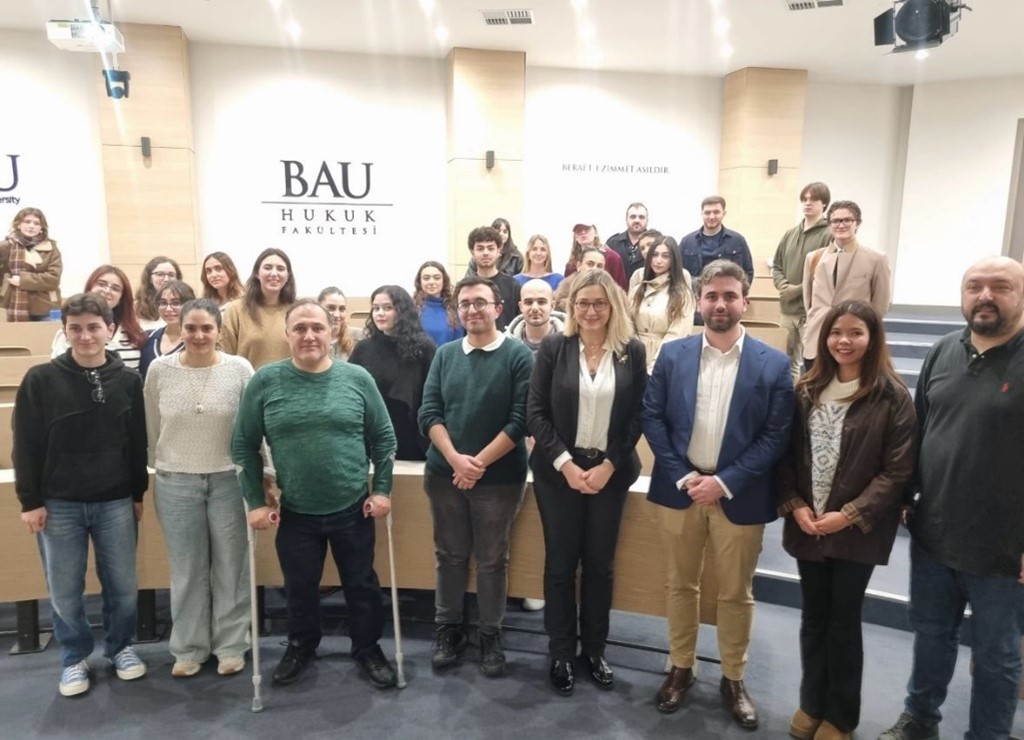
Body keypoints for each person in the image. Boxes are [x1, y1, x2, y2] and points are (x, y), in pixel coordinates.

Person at [642, 260, 793, 730]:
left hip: (739, 495)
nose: (720, 304)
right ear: (699, 301)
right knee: (679, 585)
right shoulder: (673, 355)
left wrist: (724, 482)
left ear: (745, 301)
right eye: (712, 296)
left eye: (730, 296)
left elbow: (775, 435)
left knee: (735, 593)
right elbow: (653, 418)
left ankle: (734, 678)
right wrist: (685, 475)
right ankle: (680, 667)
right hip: (681, 490)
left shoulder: (773, 363)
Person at [879, 256, 1024, 740]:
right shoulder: (943, 351)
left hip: (1004, 546)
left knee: (997, 654)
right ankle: (920, 719)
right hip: (936, 529)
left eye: (1000, 286)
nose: (985, 296)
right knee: (931, 634)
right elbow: (918, 430)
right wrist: (906, 494)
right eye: (974, 286)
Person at [232, 299, 398, 689]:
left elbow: (384, 438)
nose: (309, 335)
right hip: (295, 510)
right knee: (299, 587)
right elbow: (243, 445)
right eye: (300, 328)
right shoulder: (266, 381)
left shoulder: (357, 378)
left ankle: (367, 647)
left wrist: (383, 489)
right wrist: (255, 501)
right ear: (287, 334)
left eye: (317, 328)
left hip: (353, 507)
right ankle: (301, 645)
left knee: (362, 585)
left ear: (332, 331)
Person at [777, 301, 917, 740]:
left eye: (856, 332)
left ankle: (840, 717)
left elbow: (897, 472)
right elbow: (786, 455)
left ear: (872, 339)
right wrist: (795, 504)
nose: (844, 341)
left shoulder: (891, 396)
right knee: (813, 618)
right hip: (808, 525)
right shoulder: (806, 389)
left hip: (856, 531)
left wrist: (850, 514)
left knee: (843, 622)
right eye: (837, 332)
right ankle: (812, 702)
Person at [14, 292, 149, 697]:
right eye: (76, 329)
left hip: (115, 501)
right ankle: (74, 657)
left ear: (110, 329)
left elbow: (136, 443)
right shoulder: (40, 380)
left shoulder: (128, 380)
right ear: (65, 331)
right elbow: (26, 445)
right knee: (65, 589)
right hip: (59, 505)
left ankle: (120, 647)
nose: (85, 336)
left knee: (123, 586)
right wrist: (30, 501)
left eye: (93, 327)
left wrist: (137, 493)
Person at [526, 269, 647, 696]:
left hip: (609, 474)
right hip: (558, 474)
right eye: (583, 303)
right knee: (560, 565)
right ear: (571, 307)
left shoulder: (631, 350)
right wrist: (565, 464)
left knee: (599, 566)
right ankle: (560, 651)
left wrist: (609, 465)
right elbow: (535, 411)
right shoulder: (554, 347)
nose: (591, 311)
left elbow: (638, 414)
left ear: (612, 305)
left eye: (599, 303)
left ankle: (594, 650)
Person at [418, 275, 534, 678]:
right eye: (465, 303)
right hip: (444, 474)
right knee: (448, 556)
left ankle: (489, 634)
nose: (472, 310)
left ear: (498, 309)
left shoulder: (519, 356)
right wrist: (455, 460)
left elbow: (520, 420)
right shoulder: (445, 355)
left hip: (500, 479)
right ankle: (449, 629)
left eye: (480, 302)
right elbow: (429, 412)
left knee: (491, 560)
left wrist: (476, 464)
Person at [144, 298, 254, 678]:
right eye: (191, 328)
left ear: (219, 331)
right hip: (176, 482)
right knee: (187, 570)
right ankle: (189, 648)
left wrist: (264, 474)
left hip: (228, 480)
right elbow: (152, 426)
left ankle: (231, 646)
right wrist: (161, 464)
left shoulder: (239, 369)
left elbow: (252, 428)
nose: (199, 335)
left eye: (207, 328)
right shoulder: (159, 370)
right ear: (180, 328)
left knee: (231, 567)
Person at [802, 201, 890, 373]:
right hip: (817, 339)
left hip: (852, 343)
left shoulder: (876, 259)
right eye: (835, 221)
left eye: (847, 220)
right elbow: (809, 301)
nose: (841, 225)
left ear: (857, 223)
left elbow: (880, 305)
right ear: (829, 225)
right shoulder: (813, 258)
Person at [350, 286, 436, 461]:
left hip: (412, 439)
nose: (380, 313)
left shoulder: (424, 348)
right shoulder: (363, 348)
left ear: (402, 311)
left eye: (388, 308)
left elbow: (433, 396)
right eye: (376, 308)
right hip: (373, 438)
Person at [771, 182, 833, 380]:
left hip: (812, 312)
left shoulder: (829, 235)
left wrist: (796, 290)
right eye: (804, 199)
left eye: (813, 199)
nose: (808, 203)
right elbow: (777, 265)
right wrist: (783, 286)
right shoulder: (790, 234)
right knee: (784, 363)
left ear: (824, 204)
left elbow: (826, 274)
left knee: (814, 362)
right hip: (788, 310)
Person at [50, 265, 147, 370]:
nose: (107, 291)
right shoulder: (69, 332)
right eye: (101, 284)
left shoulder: (134, 332)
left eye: (115, 288)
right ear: (89, 288)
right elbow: (58, 371)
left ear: (121, 298)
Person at [628, 235, 695, 372]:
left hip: (665, 362)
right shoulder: (637, 291)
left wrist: (653, 368)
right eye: (655, 255)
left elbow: (677, 335)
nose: (658, 261)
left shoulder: (683, 294)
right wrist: (636, 358)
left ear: (674, 259)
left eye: (665, 256)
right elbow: (627, 325)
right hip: (634, 361)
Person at [222, 248, 296, 369]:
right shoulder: (235, 310)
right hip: (248, 380)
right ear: (257, 273)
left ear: (287, 276)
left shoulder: (297, 311)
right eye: (268, 268)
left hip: (289, 380)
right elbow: (226, 357)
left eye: (280, 269)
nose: (274, 273)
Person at [0, 207, 62, 321]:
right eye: (27, 221)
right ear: (18, 224)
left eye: (36, 223)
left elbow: (53, 278)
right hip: (11, 304)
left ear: (41, 228)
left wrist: (22, 280)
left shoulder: (51, 248)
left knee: (49, 332)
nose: (31, 226)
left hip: (45, 307)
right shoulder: (5, 246)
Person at [678, 196, 754, 289]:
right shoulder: (687, 242)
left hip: (728, 294)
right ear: (702, 214)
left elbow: (748, 273)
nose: (711, 216)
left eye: (716, 212)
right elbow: (677, 272)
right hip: (694, 295)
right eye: (707, 212)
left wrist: (738, 293)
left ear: (724, 213)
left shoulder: (738, 241)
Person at [467, 225, 521, 332]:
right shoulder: (466, 287)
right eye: (480, 248)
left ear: (498, 251)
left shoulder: (513, 286)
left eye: (490, 248)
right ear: (472, 252)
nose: (485, 253)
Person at [139, 279, 195, 381]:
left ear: (190, 305)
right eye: (163, 303)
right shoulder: (146, 338)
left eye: (176, 303)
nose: (168, 309)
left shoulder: (197, 340)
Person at [506, 278, 566, 353]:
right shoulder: (506, 346)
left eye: (541, 302)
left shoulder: (572, 342)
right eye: (528, 302)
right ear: (521, 307)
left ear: (552, 306)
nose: (535, 308)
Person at [414, 261, 464, 347]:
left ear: (444, 281)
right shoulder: (412, 309)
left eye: (437, 278)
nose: (431, 282)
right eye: (426, 278)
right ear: (420, 282)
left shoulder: (456, 308)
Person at [564, 223, 628, 290]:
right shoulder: (571, 265)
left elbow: (621, 289)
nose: (583, 232)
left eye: (587, 229)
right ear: (575, 237)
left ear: (595, 233)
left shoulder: (612, 258)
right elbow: (567, 291)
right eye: (579, 230)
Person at [134, 256, 183, 330]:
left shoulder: (186, 304)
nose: (166, 279)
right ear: (149, 278)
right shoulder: (136, 307)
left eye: (171, 275)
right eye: (160, 274)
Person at [554, 247, 606, 313]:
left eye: (599, 266)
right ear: (579, 266)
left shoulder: (609, 289)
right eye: (590, 264)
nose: (594, 269)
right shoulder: (567, 287)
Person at [605, 202, 649, 279]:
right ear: (626, 219)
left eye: (641, 217)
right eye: (633, 217)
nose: (637, 220)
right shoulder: (613, 243)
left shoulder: (656, 243)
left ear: (647, 220)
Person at [318, 286, 362, 360]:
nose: (337, 315)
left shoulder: (359, 336)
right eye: (331, 308)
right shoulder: (311, 338)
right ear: (318, 308)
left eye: (342, 309)